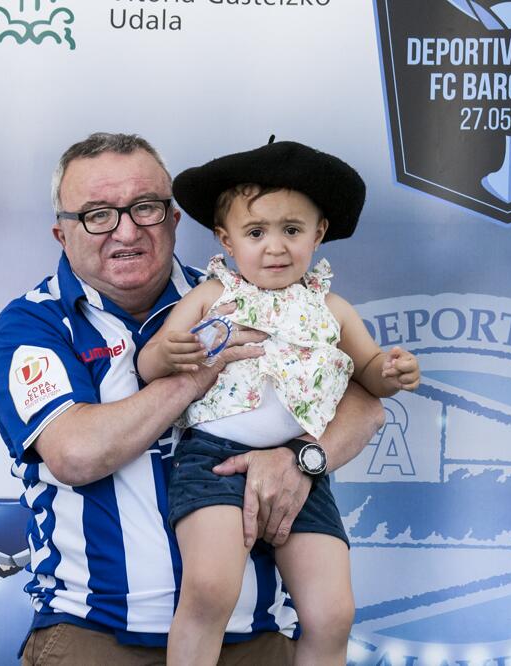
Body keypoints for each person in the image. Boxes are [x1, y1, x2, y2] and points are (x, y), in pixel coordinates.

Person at [0, 132, 394, 665]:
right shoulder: (35, 321)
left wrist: (301, 459)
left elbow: (365, 404)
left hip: (255, 636)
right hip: (98, 636)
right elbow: (75, 453)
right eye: (96, 214)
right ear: (61, 233)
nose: (126, 230)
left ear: (175, 219)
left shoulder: (250, 292)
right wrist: (197, 375)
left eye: (145, 207)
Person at [136, 139, 420, 666]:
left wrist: (391, 370)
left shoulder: (331, 307)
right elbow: (149, 364)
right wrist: (167, 353)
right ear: (225, 239)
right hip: (213, 458)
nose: (275, 247)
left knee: (333, 613)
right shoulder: (211, 297)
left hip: (300, 465)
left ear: (319, 234)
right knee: (210, 590)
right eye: (255, 232)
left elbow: (370, 374)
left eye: (292, 231)